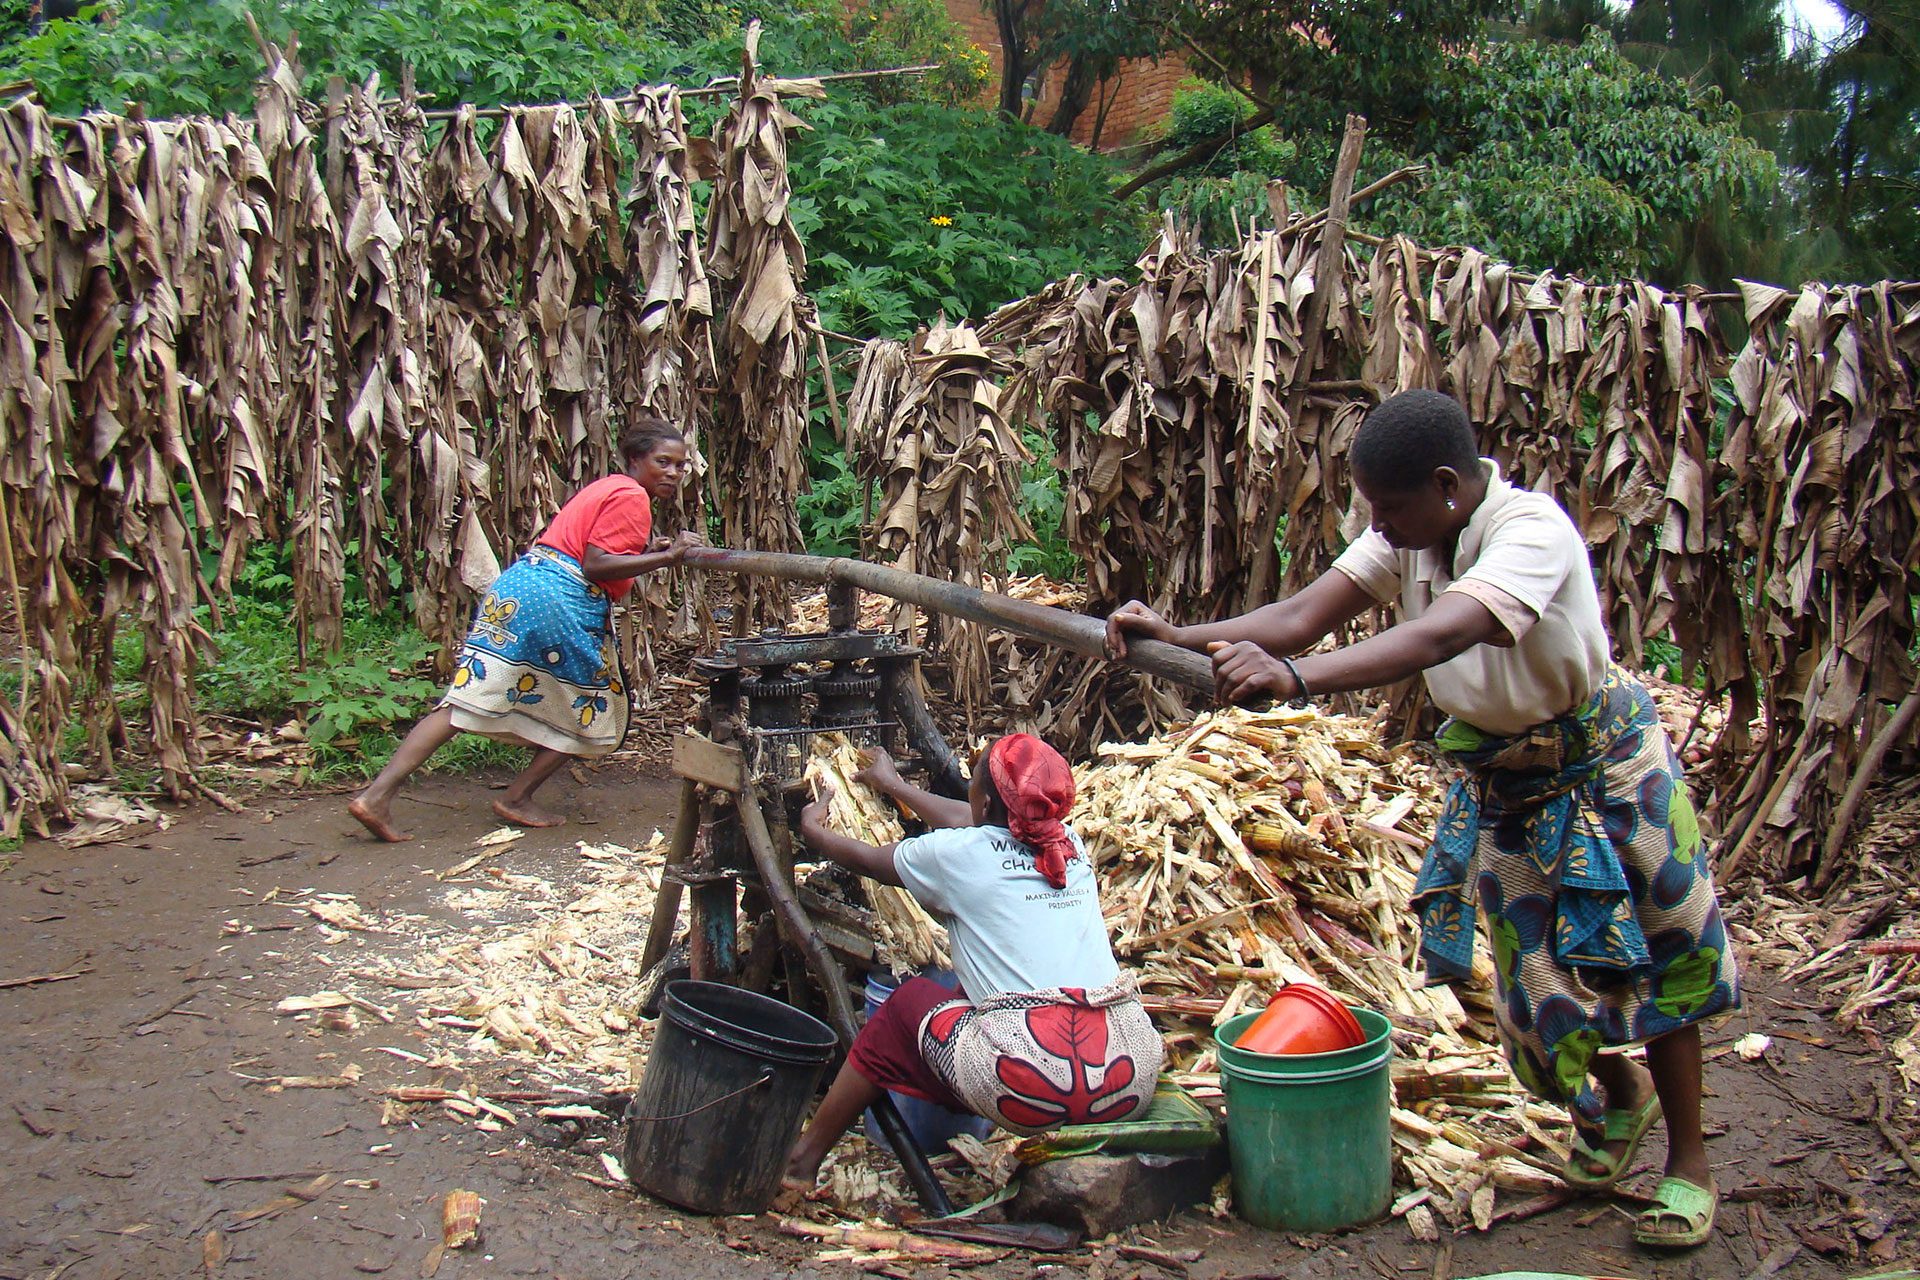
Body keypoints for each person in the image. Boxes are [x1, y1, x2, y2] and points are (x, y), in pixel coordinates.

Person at [1106, 389, 1738, 1250]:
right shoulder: (1408, 534)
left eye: (1389, 506)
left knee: (1663, 965)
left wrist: (1297, 680)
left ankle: (1690, 1165)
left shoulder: (1531, 532)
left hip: (1605, 772)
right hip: (1511, 784)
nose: (1378, 523)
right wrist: (1180, 632)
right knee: (1531, 993)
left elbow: (1442, 635)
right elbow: (1299, 617)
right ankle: (1617, 1094)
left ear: (1447, 485)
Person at [783, 735, 1162, 1194]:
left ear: (983, 802)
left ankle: (801, 1162)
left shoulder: (955, 857)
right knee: (966, 996)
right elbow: (980, 824)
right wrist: (896, 786)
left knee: (907, 1005)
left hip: (1033, 1085)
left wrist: (815, 833)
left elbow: (869, 858)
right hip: (1129, 1077)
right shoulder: (1071, 846)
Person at [348, 419, 702, 842]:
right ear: (635, 460)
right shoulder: (631, 496)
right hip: (557, 600)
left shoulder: (608, 487)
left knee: (468, 697)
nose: (673, 473)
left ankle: (377, 795)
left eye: (681, 466)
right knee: (597, 710)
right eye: (663, 461)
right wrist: (670, 557)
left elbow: (593, 550)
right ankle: (515, 796)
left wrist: (647, 552)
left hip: (522, 589)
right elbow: (596, 565)